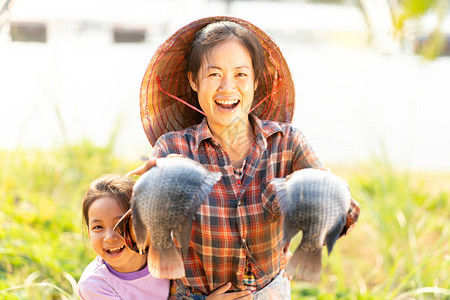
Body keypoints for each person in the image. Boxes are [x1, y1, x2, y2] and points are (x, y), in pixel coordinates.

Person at [119, 16, 360, 299]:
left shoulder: (288, 142)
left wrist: (324, 197)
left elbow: (347, 215)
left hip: (270, 292)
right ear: (194, 81)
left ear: (256, 81)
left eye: (240, 74)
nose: (227, 87)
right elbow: (138, 240)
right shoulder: (173, 149)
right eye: (213, 74)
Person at [79, 174, 252, 300]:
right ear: (89, 232)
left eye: (119, 225)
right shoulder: (95, 285)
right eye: (98, 227)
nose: (109, 237)